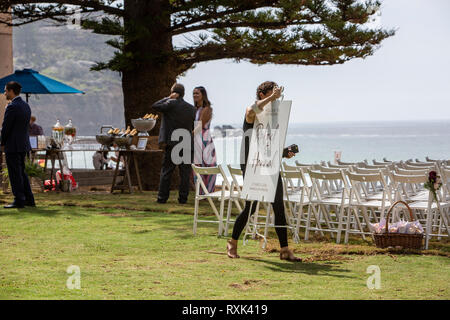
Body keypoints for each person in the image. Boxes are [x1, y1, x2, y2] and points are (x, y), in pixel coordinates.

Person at [226, 81, 301, 262]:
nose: (275, 98)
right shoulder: (252, 112)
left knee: (278, 207)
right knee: (250, 207)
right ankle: (232, 242)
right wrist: (271, 98)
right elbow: (252, 109)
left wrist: (284, 153)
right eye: (271, 93)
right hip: (251, 164)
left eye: (277, 95)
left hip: (269, 164)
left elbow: (268, 146)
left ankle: (284, 250)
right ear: (262, 94)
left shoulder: (272, 118)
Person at [152, 83, 196, 204]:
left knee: (167, 172)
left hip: (172, 144)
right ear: (183, 93)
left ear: (173, 92)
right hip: (187, 143)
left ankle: (162, 198)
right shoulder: (192, 108)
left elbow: (155, 105)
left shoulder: (170, 104)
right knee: (185, 174)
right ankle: (183, 199)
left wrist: (168, 97)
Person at [1, 81, 35, 208]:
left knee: (15, 174)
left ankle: (19, 200)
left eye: (5, 91)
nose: (4, 93)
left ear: (11, 91)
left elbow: (6, 128)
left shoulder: (12, 107)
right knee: (22, 173)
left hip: (13, 145)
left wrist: (2, 143)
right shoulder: (26, 106)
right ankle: (29, 199)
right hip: (23, 144)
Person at [192, 86, 217, 194]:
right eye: (193, 93)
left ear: (203, 95)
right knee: (197, 166)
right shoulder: (195, 109)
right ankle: (200, 192)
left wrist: (189, 135)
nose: (195, 95)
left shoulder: (207, 109)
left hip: (204, 139)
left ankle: (208, 191)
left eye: (197, 93)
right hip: (196, 139)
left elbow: (200, 125)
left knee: (208, 165)